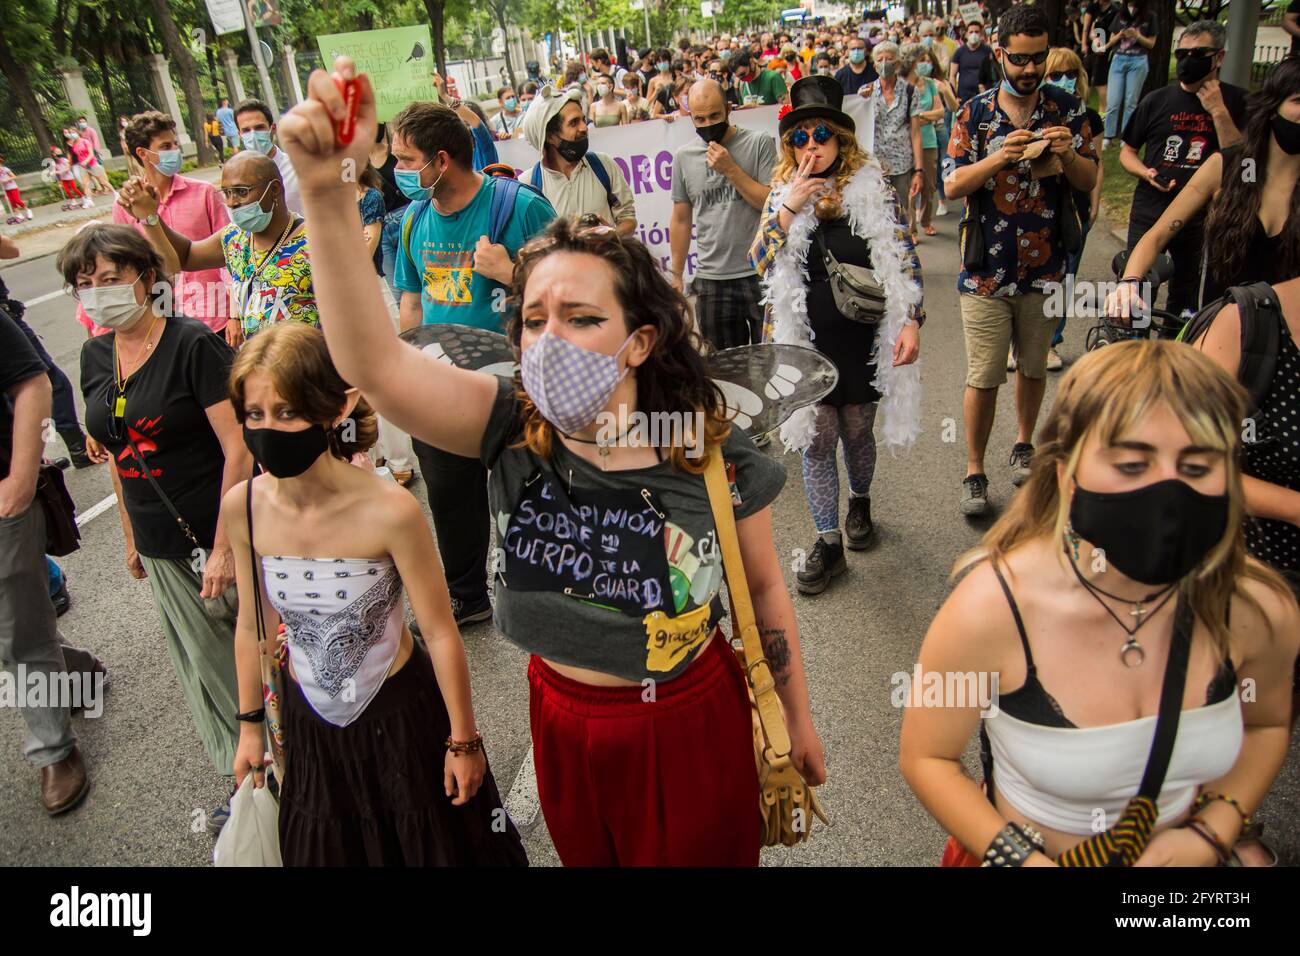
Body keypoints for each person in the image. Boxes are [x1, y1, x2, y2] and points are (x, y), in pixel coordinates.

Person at [276, 59, 828, 865]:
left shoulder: (707, 443)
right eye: (533, 319)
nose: (548, 339)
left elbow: (767, 588)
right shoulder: (506, 421)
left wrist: (796, 717)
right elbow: (373, 363)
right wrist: (325, 190)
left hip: (684, 721)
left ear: (639, 341)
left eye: (580, 316)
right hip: (560, 722)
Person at [900, 341, 1300, 868]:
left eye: (1198, 465)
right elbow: (927, 756)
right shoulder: (990, 608)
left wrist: (1211, 832)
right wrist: (1020, 861)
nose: (1168, 493)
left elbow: (1268, 725)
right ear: (1066, 474)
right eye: (1133, 463)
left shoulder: (1259, 610)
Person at [222, 323, 526, 866]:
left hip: (400, 721)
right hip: (309, 724)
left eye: (287, 412)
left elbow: (438, 629)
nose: (268, 429)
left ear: (334, 409)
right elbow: (254, 626)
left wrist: (464, 741)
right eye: (255, 414)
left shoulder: (391, 510)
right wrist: (249, 729)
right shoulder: (243, 507)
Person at [61, 224, 251, 829]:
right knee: (207, 670)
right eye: (85, 284)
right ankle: (255, 783)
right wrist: (129, 536)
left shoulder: (192, 344)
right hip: (160, 539)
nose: (97, 293)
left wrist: (223, 546)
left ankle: (287, 773)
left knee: (254, 662)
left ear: (147, 278)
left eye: (110, 279)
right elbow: (117, 451)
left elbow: (239, 448)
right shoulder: (96, 355)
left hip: (218, 534)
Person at [750, 75, 924, 594]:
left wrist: (912, 319)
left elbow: (904, 260)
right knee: (817, 439)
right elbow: (758, 261)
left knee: (855, 431)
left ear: (841, 140)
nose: (810, 147)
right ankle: (827, 545)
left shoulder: (874, 188)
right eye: (799, 139)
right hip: (806, 344)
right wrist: (789, 207)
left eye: (820, 134)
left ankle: (861, 502)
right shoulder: (782, 195)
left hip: (863, 342)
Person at [392, 101, 555, 626]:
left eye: (405, 159)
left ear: (441, 160)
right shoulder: (415, 217)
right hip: (440, 388)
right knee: (449, 497)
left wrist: (511, 273)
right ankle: (467, 596)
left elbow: (574, 294)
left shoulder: (519, 207)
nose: (397, 171)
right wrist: (408, 369)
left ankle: (547, 591)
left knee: (530, 489)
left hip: (516, 390)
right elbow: (411, 300)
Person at [944, 5, 1099, 516]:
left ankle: (1025, 443)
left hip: (1047, 266)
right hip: (985, 271)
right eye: (1019, 60)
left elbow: (1089, 182)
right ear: (1000, 53)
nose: (1029, 69)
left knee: (1033, 368)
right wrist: (999, 157)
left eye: (1037, 59)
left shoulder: (1067, 109)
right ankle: (974, 470)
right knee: (984, 376)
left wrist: (1068, 156)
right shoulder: (974, 112)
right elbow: (952, 184)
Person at [0, 305, 104, 814]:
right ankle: (76, 671)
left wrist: (21, 477)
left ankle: (54, 751)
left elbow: (33, 382)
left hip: (3, 499)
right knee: (15, 628)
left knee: (17, 630)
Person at [1108, 56, 1300, 323]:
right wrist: (1129, 282)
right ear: (1272, 105)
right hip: (1222, 332)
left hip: (1288, 338)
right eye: (1298, 101)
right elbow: (1157, 235)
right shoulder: (1238, 167)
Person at [1117, 21, 1245, 320]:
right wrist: (1146, 172)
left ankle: (1176, 351)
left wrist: (1217, 110)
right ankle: (1134, 352)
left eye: (1198, 53)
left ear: (1219, 57)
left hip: (1201, 215)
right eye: (1182, 53)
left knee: (1185, 293)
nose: (1188, 60)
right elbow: (1127, 152)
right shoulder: (1157, 100)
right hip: (1152, 207)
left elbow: (1241, 160)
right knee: (1137, 287)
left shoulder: (1237, 101)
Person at [119, 151, 316, 345]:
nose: (232, 202)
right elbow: (186, 256)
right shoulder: (234, 237)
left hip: (309, 368)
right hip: (260, 369)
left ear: (274, 189)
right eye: (227, 193)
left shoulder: (314, 242)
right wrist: (151, 217)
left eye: (241, 191)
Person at [108, 111, 234, 340]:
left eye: (175, 144)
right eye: (166, 146)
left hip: (215, 315)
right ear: (143, 153)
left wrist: (235, 315)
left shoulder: (204, 193)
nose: (175, 151)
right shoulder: (127, 205)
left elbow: (230, 254)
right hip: (164, 322)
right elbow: (126, 268)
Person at [669, 79, 776, 349]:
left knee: (776, 363)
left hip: (760, 271)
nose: (708, 124)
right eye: (699, 118)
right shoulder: (684, 156)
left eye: (715, 115)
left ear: (728, 109)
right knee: (726, 372)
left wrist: (731, 169)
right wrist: (677, 275)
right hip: (712, 280)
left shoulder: (759, 143)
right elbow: (681, 219)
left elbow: (770, 203)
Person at [0, 236, 96, 467]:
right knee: (45, 383)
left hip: (6, 317)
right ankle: (64, 451)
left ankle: (46, 455)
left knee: (34, 387)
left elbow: (12, 250)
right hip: (5, 322)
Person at [1043, 47, 1105, 371]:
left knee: (1064, 279)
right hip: (1035, 211)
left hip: (1073, 210)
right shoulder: (1030, 112)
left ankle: (1051, 342)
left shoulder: (1087, 117)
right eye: (1055, 74)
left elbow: (1096, 162)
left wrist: (1095, 200)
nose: (1064, 80)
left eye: (1070, 73)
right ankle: (1022, 343)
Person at [521, 87, 636, 237]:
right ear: (549, 137)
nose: (584, 128)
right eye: (574, 123)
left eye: (583, 120)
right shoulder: (528, 185)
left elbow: (628, 218)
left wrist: (612, 235)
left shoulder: (603, 165)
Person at [859, 43, 925, 217]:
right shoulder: (866, 92)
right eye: (880, 60)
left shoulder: (910, 91)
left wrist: (919, 170)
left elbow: (916, 133)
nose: (884, 63)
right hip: (874, 164)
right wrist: (862, 102)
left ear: (897, 64)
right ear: (874, 66)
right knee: (875, 212)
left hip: (901, 163)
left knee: (900, 210)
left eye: (889, 59)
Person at [903, 44, 957, 241]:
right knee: (909, 188)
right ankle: (911, 229)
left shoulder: (931, 85)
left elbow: (941, 111)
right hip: (906, 143)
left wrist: (919, 115)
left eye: (927, 61)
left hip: (929, 141)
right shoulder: (903, 86)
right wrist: (919, 118)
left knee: (929, 186)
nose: (924, 65)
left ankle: (925, 220)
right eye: (920, 61)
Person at [1101, 0, 1157, 146]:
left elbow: (1151, 43)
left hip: (1138, 61)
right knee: (1113, 101)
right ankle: (1108, 136)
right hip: (1118, 59)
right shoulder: (1120, 14)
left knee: (1131, 101)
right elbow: (1110, 40)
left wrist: (1137, 36)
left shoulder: (1149, 16)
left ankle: (1126, 137)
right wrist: (1119, 35)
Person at [234, 99, 304, 216]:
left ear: (273, 128)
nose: (253, 135)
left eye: (259, 128)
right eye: (246, 130)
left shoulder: (298, 168)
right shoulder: (236, 177)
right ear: (239, 134)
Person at [1082, 0, 1119, 123]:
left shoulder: (1114, 11)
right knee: (1083, 78)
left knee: (1100, 82)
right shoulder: (1093, 8)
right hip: (1090, 50)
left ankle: (1103, 115)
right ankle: (1080, 109)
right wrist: (1085, 43)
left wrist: (1106, 46)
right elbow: (1087, 29)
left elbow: (1115, 33)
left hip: (1103, 52)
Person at [950, 19, 996, 105]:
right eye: (971, 32)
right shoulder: (959, 52)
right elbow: (952, 75)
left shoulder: (987, 50)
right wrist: (953, 96)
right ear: (966, 34)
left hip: (983, 96)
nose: (974, 34)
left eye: (976, 32)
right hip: (964, 97)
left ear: (981, 34)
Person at [65, 125, 113, 198]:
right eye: (71, 133)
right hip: (83, 166)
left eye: (73, 132)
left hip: (92, 163)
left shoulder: (85, 141)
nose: (72, 134)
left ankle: (115, 193)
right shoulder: (74, 144)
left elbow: (91, 154)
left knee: (103, 182)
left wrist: (86, 160)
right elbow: (76, 155)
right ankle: (89, 201)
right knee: (85, 184)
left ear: (77, 132)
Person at [0, 155, 33, 221]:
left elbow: (14, 176)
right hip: (6, 189)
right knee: (12, 202)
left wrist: (7, 179)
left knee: (17, 200)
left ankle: (28, 210)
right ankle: (19, 215)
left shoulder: (5, 169)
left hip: (13, 187)